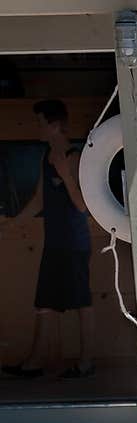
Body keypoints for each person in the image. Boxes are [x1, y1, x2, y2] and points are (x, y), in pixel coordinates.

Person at [1, 98, 94, 379]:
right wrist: (12, 223)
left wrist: (65, 174)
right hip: (54, 243)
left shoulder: (75, 157)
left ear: (55, 125)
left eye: (41, 122)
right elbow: (39, 199)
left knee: (80, 302)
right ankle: (35, 362)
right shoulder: (45, 157)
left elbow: (82, 206)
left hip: (75, 242)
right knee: (44, 301)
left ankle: (85, 362)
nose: (37, 128)